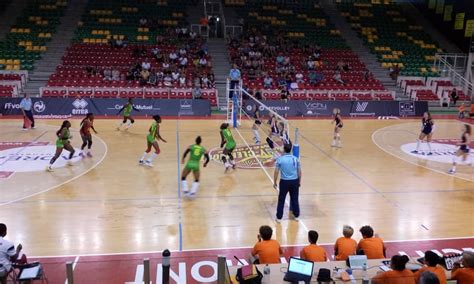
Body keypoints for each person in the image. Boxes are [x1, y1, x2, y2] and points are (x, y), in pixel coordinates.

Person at [273, 144, 301, 223]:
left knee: (281, 199)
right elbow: (299, 171)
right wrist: (299, 181)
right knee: (295, 198)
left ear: (284, 150)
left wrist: (275, 182)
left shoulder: (280, 159)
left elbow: (276, 172)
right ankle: (297, 216)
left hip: (284, 182)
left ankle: (279, 218)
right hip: (294, 181)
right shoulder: (296, 159)